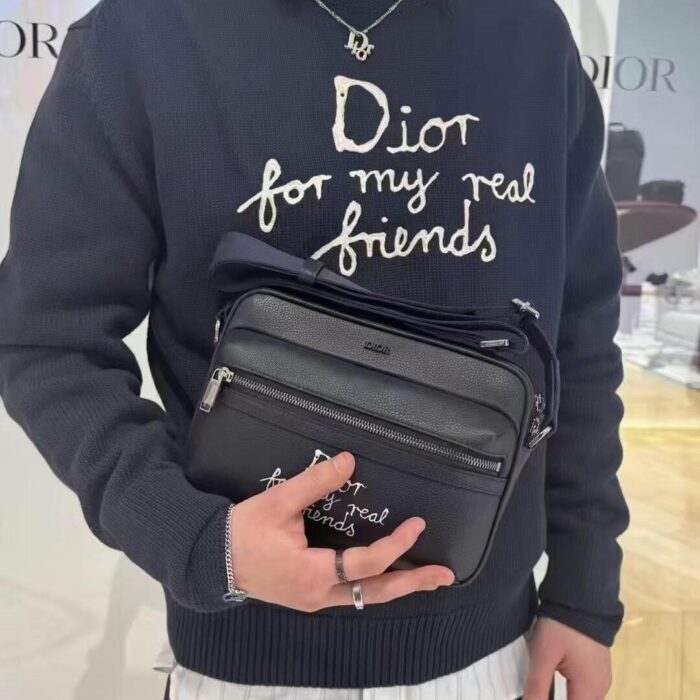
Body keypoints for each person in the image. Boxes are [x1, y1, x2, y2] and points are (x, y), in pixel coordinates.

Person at [0, 1, 629, 698]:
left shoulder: (529, 31)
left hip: (491, 655)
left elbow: (578, 334)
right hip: (243, 662)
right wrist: (199, 541)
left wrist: (584, 589)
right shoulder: (142, 32)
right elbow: (46, 338)